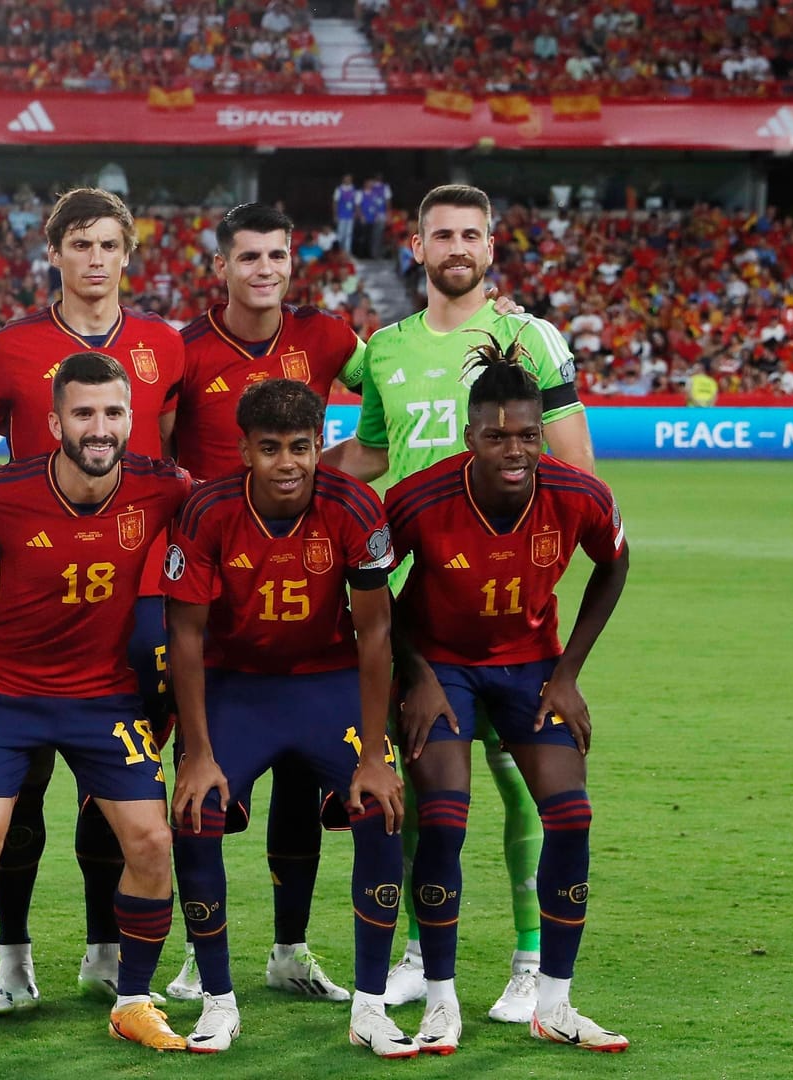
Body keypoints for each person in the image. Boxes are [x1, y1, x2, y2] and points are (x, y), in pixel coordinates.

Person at [322, 183, 594, 1025]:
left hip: (508, 606)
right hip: (411, 600)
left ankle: (526, 964)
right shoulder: (384, 352)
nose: (458, 247)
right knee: (423, 786)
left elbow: (578, 471)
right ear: (415, 245)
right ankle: (415, 953)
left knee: (521, 789)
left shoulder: (527, 340)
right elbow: (373, 450)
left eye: (472, 233)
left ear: (489, 244)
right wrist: (290, 477)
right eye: (443, 234)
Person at [0, 187, 186, 1007]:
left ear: (129, 254)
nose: (96, 259)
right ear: (53, 252)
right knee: (13, 801)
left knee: (116, 794)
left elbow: (184, 470)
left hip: (141, 601)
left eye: (109, 246)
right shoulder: (11, 347)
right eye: (80, 245)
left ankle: (102, 950)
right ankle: (12, 957)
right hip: (35, 594)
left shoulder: (166, 345)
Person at [0, 352, 193, 1054]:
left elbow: (233, 515)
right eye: (83, 413)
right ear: (54, 422)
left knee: (152, 844)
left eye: (112, 413)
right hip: (5, 692)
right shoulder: (2, 492)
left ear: (131, 420)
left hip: (104, 696)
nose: (98, 427)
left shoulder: (163, 488)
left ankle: (132, 1000)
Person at [384, 345, 629, 1054]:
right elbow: (369, 588)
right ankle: (440, 1001)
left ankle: (554, 1002)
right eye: (496, 437)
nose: (514, 450)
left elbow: (614, 566)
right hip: (444, 667)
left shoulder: (579, 494)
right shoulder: (421, 499)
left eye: (526, 434)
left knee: (573, 815)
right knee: (444, 821)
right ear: (470, 438)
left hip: (531, 670)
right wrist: (418, 673)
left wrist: (570, 672)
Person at [164, 379, 413, 1057]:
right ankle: (217, 1000)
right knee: (195, 811)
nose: (287, 463)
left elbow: (375, 635)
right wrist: (195, 751)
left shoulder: (355, 507)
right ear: (245, 449)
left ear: (318, 444)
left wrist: (373, 753)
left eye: (301, 447)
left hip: (327, 685)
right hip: (236, 686)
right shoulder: (208, 510)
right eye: (270, 448)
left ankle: (370, 1006)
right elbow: (184, 636)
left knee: (382, 807)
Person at [166, 201, 373, 1003]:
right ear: (221, 265)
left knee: (300, 777)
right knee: (193, 781)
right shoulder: (184, 350)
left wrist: (340, 481)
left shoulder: (327, 338)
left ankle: (290, 949)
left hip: (305, 589)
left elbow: (385, 396)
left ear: (293, 263)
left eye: (276, 256)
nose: (263, 269)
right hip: (210, 590)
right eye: (247, 256)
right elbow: (155, 452)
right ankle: (195, 954)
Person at [332, 175, 359, 255]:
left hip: (350, 215)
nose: (347, 180)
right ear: (343, 180)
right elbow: (335, 203)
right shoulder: (339, 189)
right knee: (340, 234)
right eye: (346, 179)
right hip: (341, 215)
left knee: (349, 234)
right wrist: (335, 215)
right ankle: (339, 251)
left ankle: (347, 252)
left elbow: (356, 203)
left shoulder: (354, 190)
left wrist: (355, 213)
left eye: (349, 179)